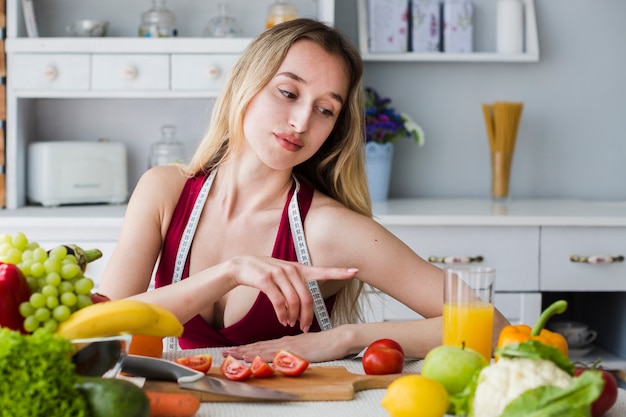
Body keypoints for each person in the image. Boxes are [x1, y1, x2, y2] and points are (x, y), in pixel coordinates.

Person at [98, 18, 509, 363]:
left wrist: (345, 339)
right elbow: (103, 329)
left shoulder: (327, 228)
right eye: (288, 92)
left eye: (325, 109)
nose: (300, 122)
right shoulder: (165, 192)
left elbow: (489, 325)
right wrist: (230, 272)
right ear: (247, 83)